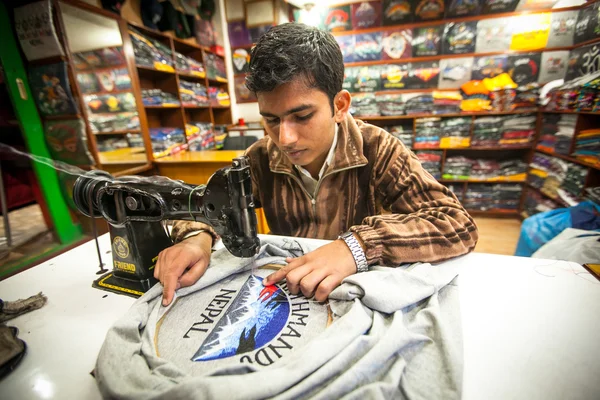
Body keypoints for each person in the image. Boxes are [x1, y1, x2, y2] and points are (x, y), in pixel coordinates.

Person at [154, 23, 478, 306]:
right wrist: (196, 237)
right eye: (270, 119)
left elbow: (456, 224)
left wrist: (356, 247)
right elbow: (208, 205)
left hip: (356, 300)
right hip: (287, 297)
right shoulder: (259, 158)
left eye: (302, 116)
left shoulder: (377, 148)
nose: (285, 138)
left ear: (339, 105)